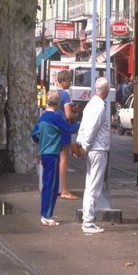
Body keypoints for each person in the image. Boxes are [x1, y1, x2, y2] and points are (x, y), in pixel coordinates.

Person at [31, 90, 81, 226]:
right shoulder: (56, 118)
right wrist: (82, 123)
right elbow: (69, 129)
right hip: (53, 153)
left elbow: (34, 134)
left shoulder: (42, 117)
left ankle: (45, 214)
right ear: (58, 103)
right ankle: (47, 215)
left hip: (44, 154)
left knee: (47, 184)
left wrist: (42, 141)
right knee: (52, 186)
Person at [75, 77, 111, 234]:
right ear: (107, 90)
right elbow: (92, 129)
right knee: (94, 187)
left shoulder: (90, 104)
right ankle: (88, 222)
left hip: (92, 149)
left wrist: (80, 143)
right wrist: (86, 146)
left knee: (89, 185)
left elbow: (83, 126)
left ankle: (87, 219)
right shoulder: (100, 107)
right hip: (97, 150)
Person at [56, 69, 79, 200]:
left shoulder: (53, 93)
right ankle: (64, 189)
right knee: (64, 160)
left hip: (54, 129)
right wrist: (76, 114)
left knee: (56, 159)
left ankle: (57, 188)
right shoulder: (65, 94)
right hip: (64, 129)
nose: (70, 82)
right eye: (69, 80)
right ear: (64, 81)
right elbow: (68, 114)